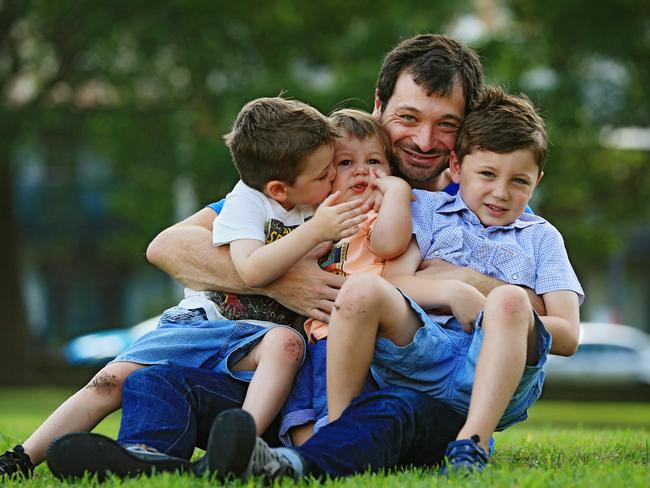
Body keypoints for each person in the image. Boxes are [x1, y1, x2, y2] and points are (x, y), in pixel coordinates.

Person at [41, 34, 547, 481]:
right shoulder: (325, 175)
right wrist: (280, 281)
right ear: (378, 107)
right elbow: (171, 246)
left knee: (398, 411)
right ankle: (150, 457)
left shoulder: (482, 201)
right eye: (408, 118)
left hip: (393, 393)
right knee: (157, 381)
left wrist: (456, 280)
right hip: (290, 382)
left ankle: (293, 464)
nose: (423, 140)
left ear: (464, 134)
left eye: (446, 125)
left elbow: (533, 315)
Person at [1, 96, 365, 478]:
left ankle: (239, 445)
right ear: (278, 188)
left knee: (286, 345)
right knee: (110, 380)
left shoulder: (315, 201)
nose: (332, 180)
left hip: (259, 340)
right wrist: (317, 231)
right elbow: (242, 267)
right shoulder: (249, 203)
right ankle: (22, 458)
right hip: (202, 324)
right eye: (325, 173)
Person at [325, 86, 583, 472]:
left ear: (537, 181)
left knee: (509, 300)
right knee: (361, 289)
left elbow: (567, 334)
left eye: (519, 181)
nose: (501, 192)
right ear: (457, 167)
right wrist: (451, 290)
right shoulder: (428, 209)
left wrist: (496, 312)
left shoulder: (542, 237)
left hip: (496, 372)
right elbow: (395, 281)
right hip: (422, 356)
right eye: (488, 174)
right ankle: (339, 428)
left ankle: (471, 445)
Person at [280, 108, 412, 446]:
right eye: (345, 163)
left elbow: (391, 242)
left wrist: (396, 192)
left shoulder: (375, 216)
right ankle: (302, 457)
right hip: (309, 341)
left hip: (349, 340)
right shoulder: (318, 220)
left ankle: (329, 453)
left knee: (332, 414)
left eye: (374, 162)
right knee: (298, 414)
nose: (362, 172)